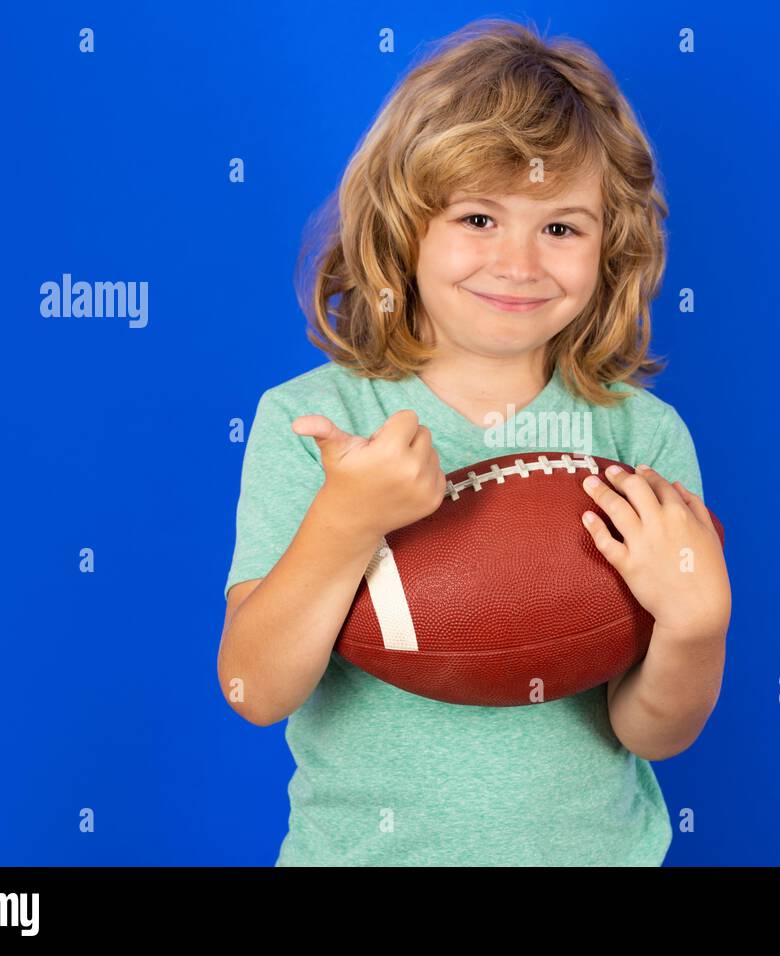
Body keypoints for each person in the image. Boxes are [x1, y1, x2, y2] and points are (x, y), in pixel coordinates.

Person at [218, 17, 731, 866]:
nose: (521, 262)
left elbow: (652, 730)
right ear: (403, 224)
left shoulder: (641, 436)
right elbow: (256, 689)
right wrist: (345, 523)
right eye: (479, 218)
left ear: (613, 248)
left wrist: (695, 626)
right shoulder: (315, 423)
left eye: (562, 228)